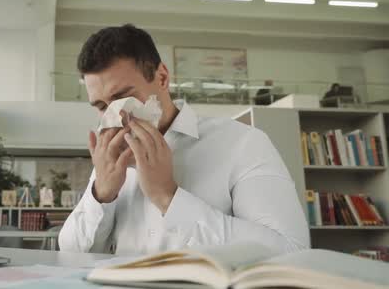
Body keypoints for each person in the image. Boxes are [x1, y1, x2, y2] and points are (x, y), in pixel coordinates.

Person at [58, 24, 309, 255]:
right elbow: (70, 252)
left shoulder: (243, 143)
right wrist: (101, 194)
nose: (115, 117)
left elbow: (289, 251)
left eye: (122, 97)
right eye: (101, 106)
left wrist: (168, 197)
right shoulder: (113, 158)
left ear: (162, 78)